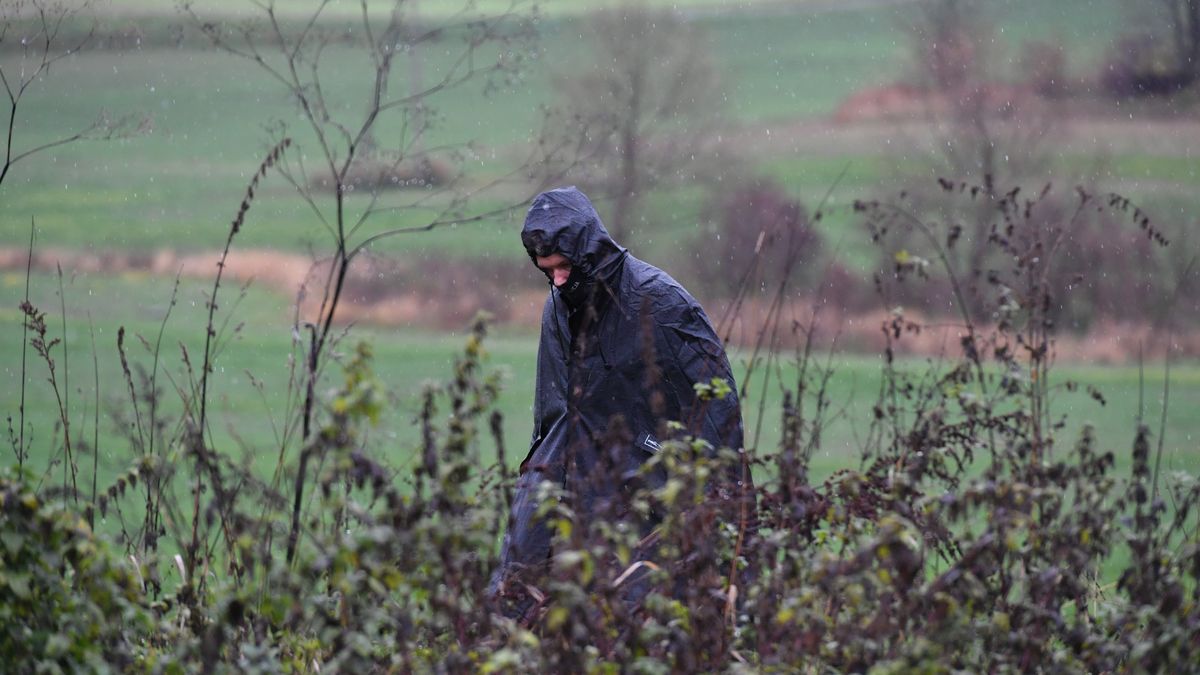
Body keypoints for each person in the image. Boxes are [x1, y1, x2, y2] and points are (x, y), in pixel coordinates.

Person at [489, 186, 746, 620]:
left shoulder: (661, 303)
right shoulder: (559, 308)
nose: (556, 280)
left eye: (565, 267)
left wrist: (708, 503)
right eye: (546, 269)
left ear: (589, 253)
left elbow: (715, 413)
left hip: (645, 497)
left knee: (632, 625)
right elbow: (553, 418)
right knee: (516, 607)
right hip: (573, 490)